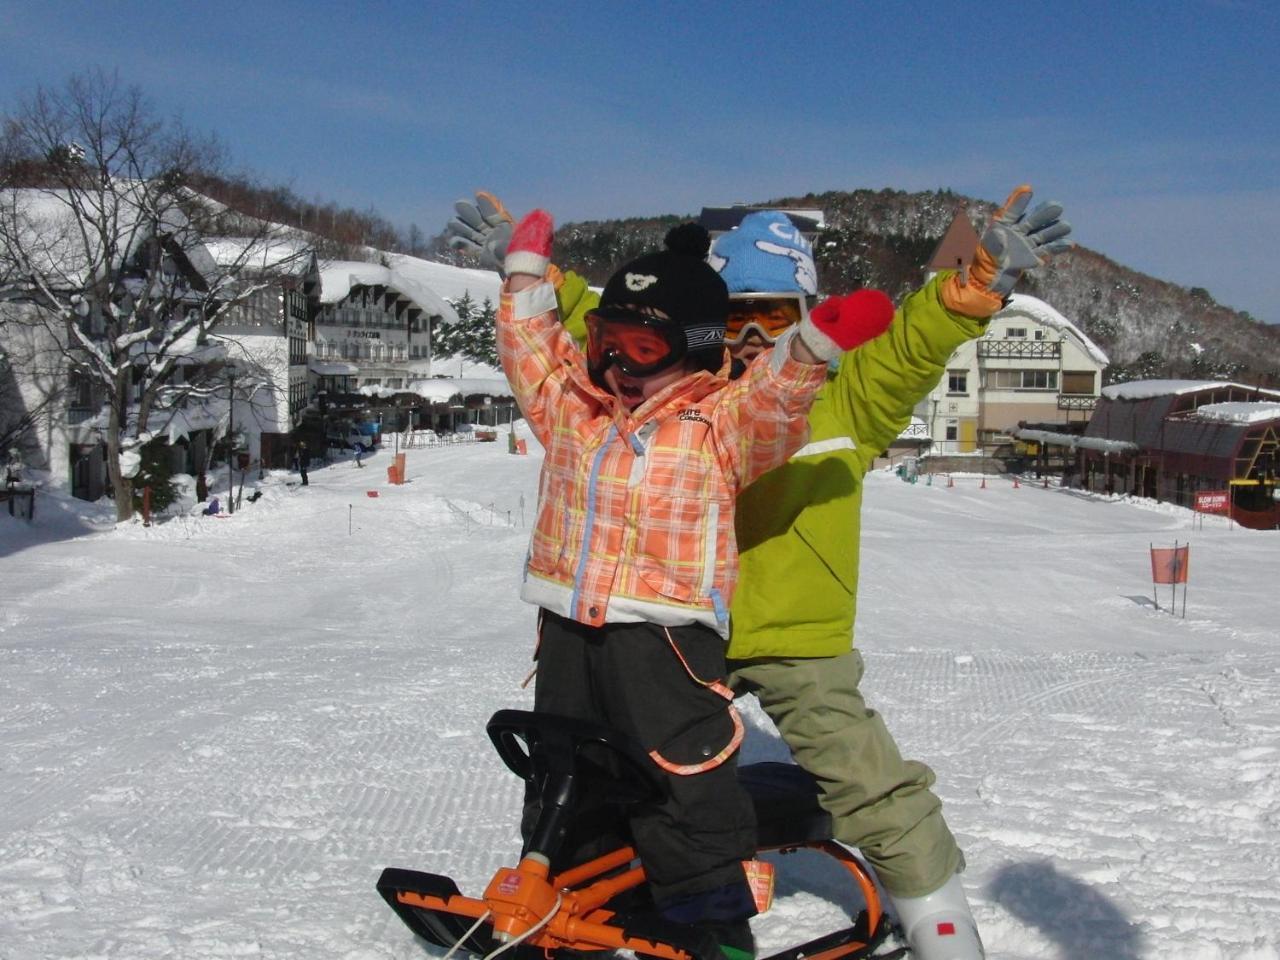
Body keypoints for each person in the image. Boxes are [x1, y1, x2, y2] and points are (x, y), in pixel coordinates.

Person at [451, 187, 1072, 960]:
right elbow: (614, 327)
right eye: (737, 314)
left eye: (774, 318)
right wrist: (527, 271)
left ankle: (939, 924)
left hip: (789, 634)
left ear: (804, 314)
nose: (751, 337)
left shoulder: (848, 394)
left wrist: (971, 291)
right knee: (604, 765)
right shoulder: (684, 389)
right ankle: (589, 892)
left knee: (860, 773)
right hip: (667, 630)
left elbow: (912, 342)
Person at [496, 207, 894, 960]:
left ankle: (713, 921)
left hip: (668, 641)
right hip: (569, 631)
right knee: (569, 769)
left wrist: (812, 344)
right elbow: (529, 353)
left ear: (696, 349)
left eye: (643, 346)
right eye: (606, 342)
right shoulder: (575, 410)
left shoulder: (720, 425)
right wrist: (524, 279)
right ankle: (575, 892)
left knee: (686, 779)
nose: (617, 364)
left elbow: (777, 403)